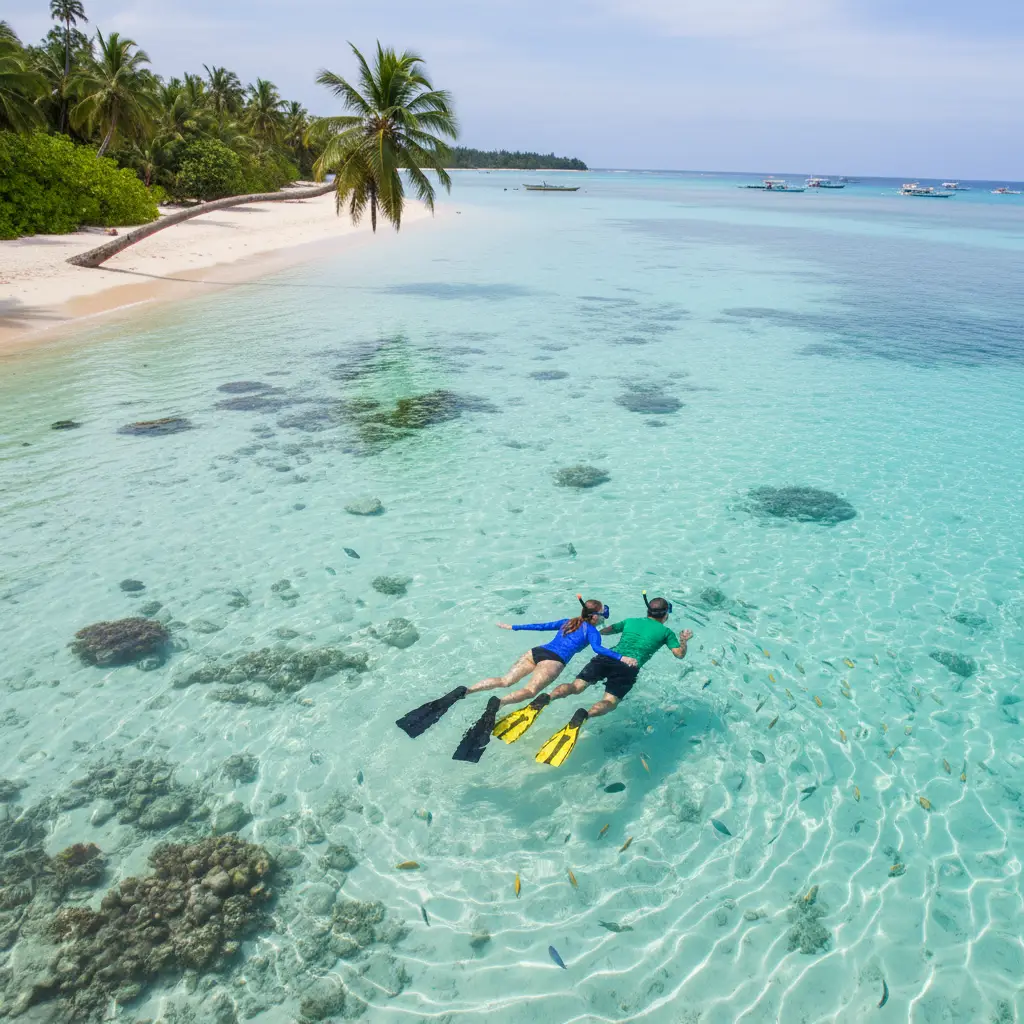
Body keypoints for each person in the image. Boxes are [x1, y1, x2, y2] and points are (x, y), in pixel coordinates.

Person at [394, 596, 636, 763]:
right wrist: (621, 656)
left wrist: (513, 626)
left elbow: (541, 626)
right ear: (594, 617)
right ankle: (498, 704)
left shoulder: (567, 621)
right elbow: (598, 650)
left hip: (536, 651)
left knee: (504, 679)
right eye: (602, 614)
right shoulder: (592, 631)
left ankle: (465, 691)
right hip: (553, 663)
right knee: (530, 692)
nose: (603, 617)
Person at [533, 592, 693, 767]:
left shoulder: (630, 621)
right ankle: (585, 715)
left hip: (608, 657)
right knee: (610, 701)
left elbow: (605, 631)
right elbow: (679, 655)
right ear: (665, 614)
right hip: (628, 667)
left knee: (576, 686)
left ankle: (549, 697)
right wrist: (683, 640)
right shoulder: (666, 632)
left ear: (648, 611)